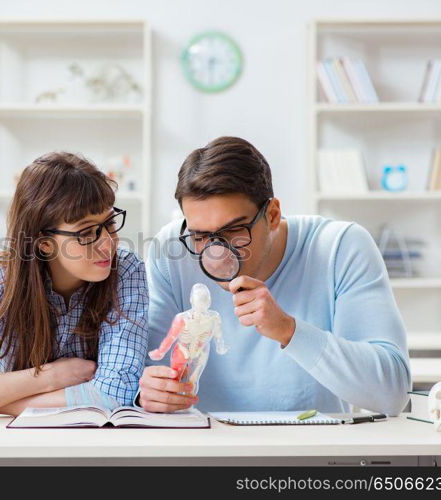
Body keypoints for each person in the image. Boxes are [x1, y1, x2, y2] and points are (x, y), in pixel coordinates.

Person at [138, 136, 411, 415]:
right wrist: (147, 390)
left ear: (272, 214)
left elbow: (392, 395)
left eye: (234, 231)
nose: (217, 254)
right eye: (201, 236)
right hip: (201, 451)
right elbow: (148, 368)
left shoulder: (340, 247)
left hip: (308, 452)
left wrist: (288, 330)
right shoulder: (171, 250)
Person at [0, 152, 148, 416]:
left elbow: (115, 394)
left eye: (110, 223)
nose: (108, 243)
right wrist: (50, 376)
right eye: (86, 233)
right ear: (44, 243)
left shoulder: (126, 270)